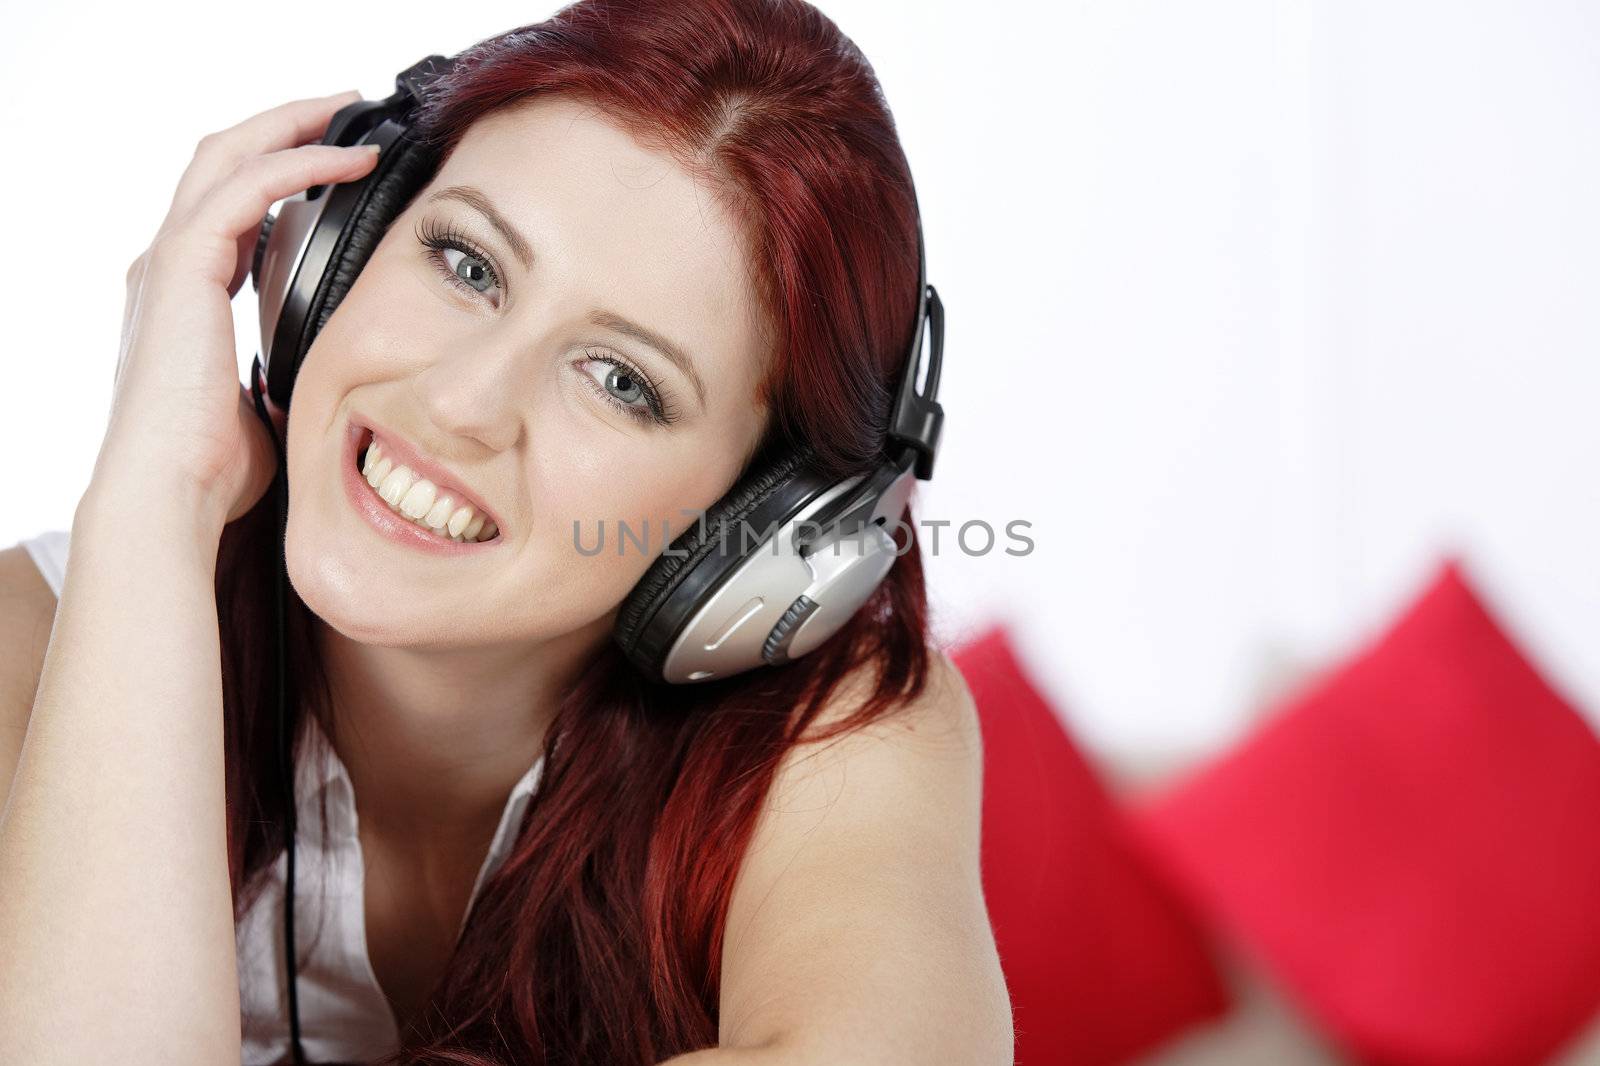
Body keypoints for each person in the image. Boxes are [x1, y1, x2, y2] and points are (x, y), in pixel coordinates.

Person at [0, 1, 1012, 1063]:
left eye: (623, 381)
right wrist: (156, 490)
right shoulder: (42, 638)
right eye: (467, 264)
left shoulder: (836, 734)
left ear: (756, 521)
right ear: (332, 248)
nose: (463, 403)